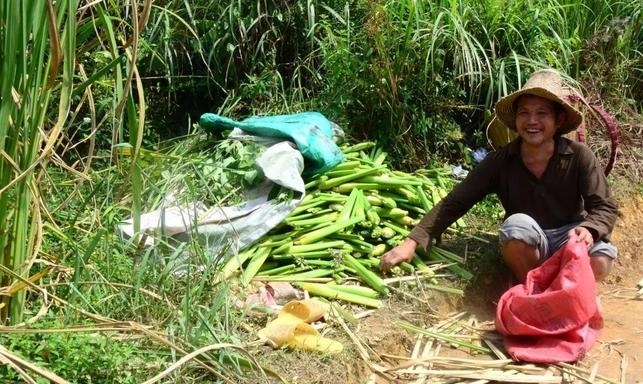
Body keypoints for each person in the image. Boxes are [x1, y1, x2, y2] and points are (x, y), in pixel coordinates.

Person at [380, 69, 618, 283]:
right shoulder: (500, 162)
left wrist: (589, 229)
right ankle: (532, 290)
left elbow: (604, 207)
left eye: (542, 113)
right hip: (529, 243)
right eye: (524, 113)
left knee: (600, 258)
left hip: (569, 238)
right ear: (515, 120)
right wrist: (412, 241)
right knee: (515, 227)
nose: (532, 121)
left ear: (559, 120)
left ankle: (566, 294)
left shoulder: (578, 156)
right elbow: (456, 201)